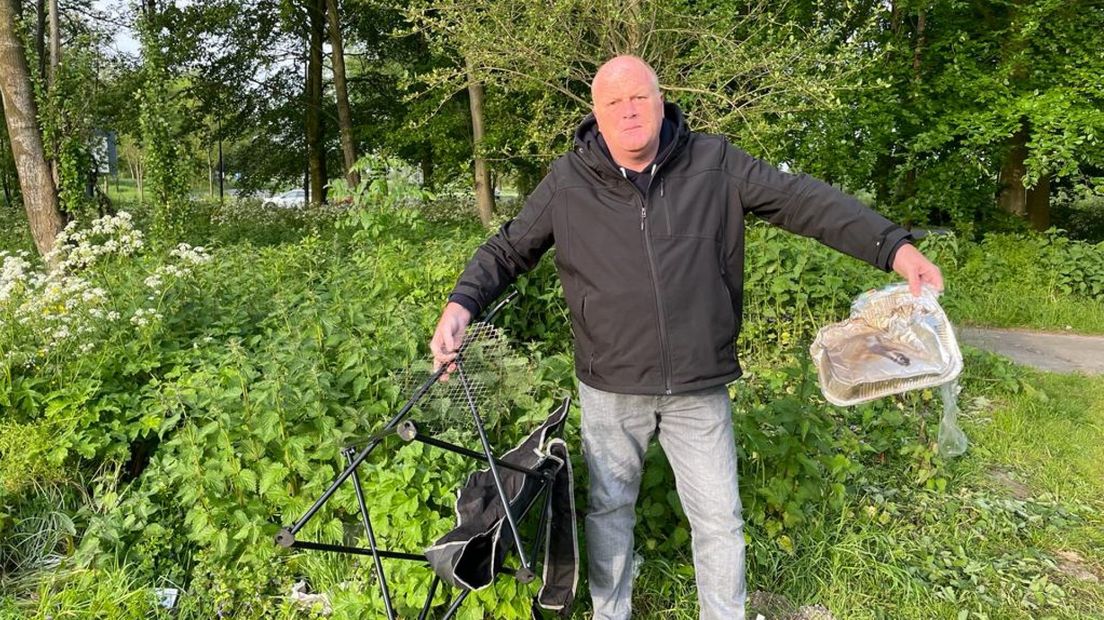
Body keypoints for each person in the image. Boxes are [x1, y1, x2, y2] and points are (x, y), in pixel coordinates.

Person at [430, 55, 942, 620]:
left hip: (699, 383)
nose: (629, 112)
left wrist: (894, 246)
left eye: (639, 98)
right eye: (613, 103)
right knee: (607, 512)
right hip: (611, 384)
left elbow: (803, 201)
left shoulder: (714, 163)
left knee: (719, 519)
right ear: (595, 116)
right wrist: (460, 305)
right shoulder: (568, 182)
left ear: (660, 100)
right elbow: (507, 249)